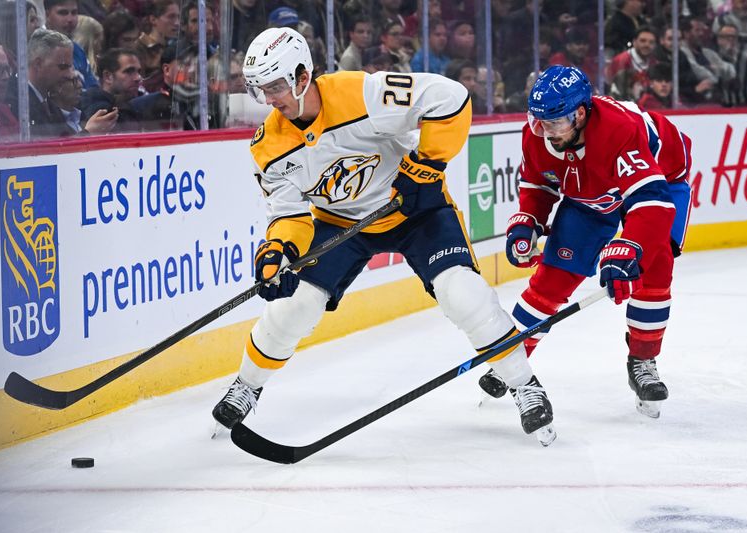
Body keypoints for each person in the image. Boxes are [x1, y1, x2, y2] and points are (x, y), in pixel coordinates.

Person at [211, 27, 557, 446]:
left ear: (303, 76)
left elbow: (452, 99)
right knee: (293, 306)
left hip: (413, 209)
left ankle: (524, 384)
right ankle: (247, 385)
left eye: (276, 86)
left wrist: (426, 165)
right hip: (340, 222)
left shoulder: (362, 93)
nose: (268, 100)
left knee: (463, 294)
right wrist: (277, 251)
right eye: (258, 90)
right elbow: (289, 214)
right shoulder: (269, 146)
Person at [477, 66, 693, 420]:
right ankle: (511, 360)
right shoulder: (538, 133)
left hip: (659, 185)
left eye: (555, 122)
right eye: (539, 121)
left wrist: (631, 246)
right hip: (591, 195)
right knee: (553, 278)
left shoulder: (618, 130)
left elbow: (651, 202)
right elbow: (539, 183)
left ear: (580, 113)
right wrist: (529, 220)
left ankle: (642, 358)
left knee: (653, 272)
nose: (545, 130)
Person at [80, 47, 142, 131]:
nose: (138, 78)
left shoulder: (136, 101)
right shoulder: (95, 108)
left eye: (139, 72)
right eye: (129, 71)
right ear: (108, 76)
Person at [44, 0, 99, 88]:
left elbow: (93, 87)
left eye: (74, 13)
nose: (70, 19)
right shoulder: (40, 50)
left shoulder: (77, 50)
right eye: (63, 13)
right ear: (47, 15)